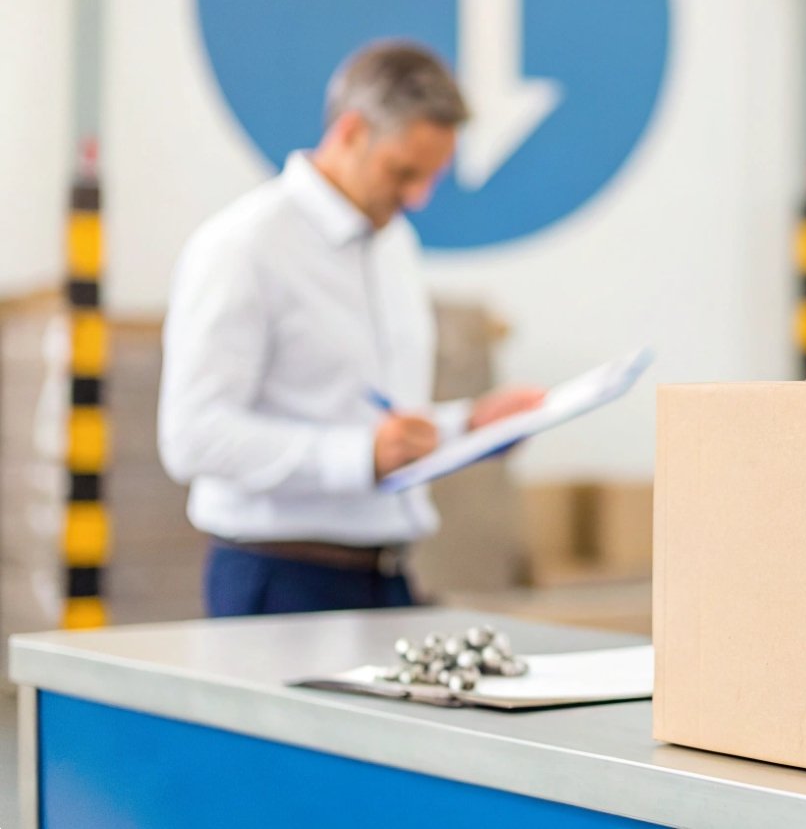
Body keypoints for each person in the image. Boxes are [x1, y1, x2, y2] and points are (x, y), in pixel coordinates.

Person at [159, 41, 543, 618]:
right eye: (403, 173)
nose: (417, 197)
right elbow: (193, 436)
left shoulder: (393, 245)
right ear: (350, 132)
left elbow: (375, 425)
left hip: (386, 574)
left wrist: (469, 425)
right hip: (279, 581)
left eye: (432, 177)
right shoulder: (243, 247)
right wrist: (358, 454)